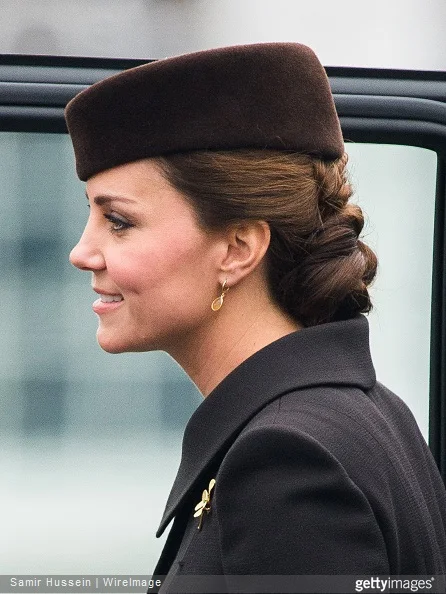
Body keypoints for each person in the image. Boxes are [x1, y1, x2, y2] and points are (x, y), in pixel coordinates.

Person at [65, 43, 446, 592]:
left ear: (238, 248)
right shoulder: (367, 411)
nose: (82, 252)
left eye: (118, 221)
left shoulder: (287, 460)